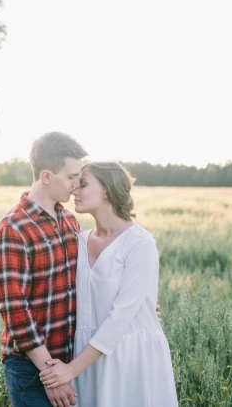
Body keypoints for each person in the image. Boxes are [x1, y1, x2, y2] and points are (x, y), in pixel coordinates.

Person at [0, 133, 162, 407]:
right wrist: (52, 373)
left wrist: (141, 308)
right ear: (46, 176)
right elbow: (14, 310)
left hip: (73, 359)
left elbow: (92, 282)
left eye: (81, 179)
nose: (75, 186)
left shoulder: (71, 223)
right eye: (72, 177)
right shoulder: (14, 227)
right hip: (34, 365)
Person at [38, 161, 178, 406]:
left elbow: (122, 317)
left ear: (107, 189)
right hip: (86, 356)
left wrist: (70, 370)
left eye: (83, 184)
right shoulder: (78, 240)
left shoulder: (139, 243)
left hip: (129, 357)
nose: (74, 190)